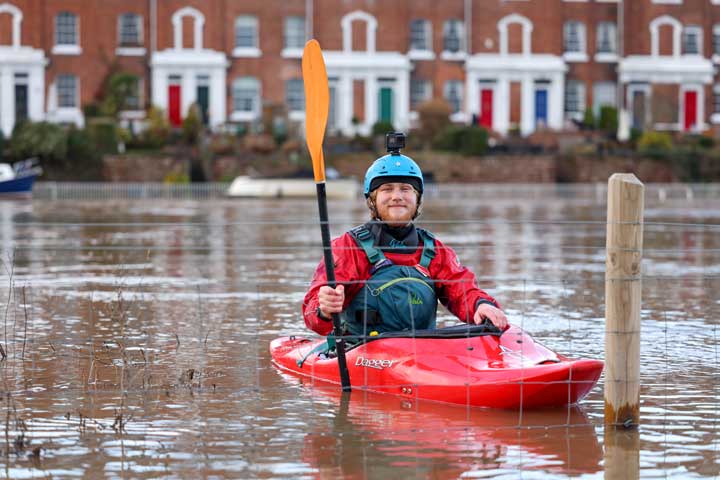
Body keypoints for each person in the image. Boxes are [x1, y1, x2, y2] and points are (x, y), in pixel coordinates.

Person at [302, 132, 507, 340]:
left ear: (417, 199)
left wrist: (482, 305)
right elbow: (313, 317)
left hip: (421, 351)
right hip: (363, 353)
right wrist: (324, 309)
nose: (397, 196)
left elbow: (462, 290)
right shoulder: (347, 247)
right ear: (372, 200)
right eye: (387, 189)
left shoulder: (435, 251)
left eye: (405, 189)